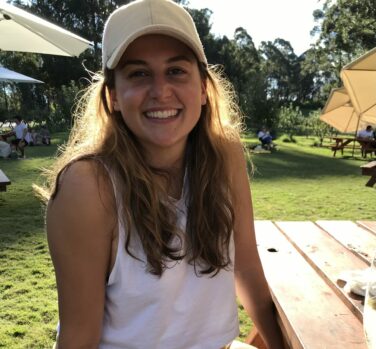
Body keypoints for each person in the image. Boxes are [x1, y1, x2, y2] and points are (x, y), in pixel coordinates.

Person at [45, 1, 284, 348]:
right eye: (139, 73)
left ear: (203, 89)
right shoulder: (87, 186)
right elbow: (79, 338)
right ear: (113, 96)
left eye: (176, 71)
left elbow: (246, 270)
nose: (160, 91)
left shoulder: (224, 156)